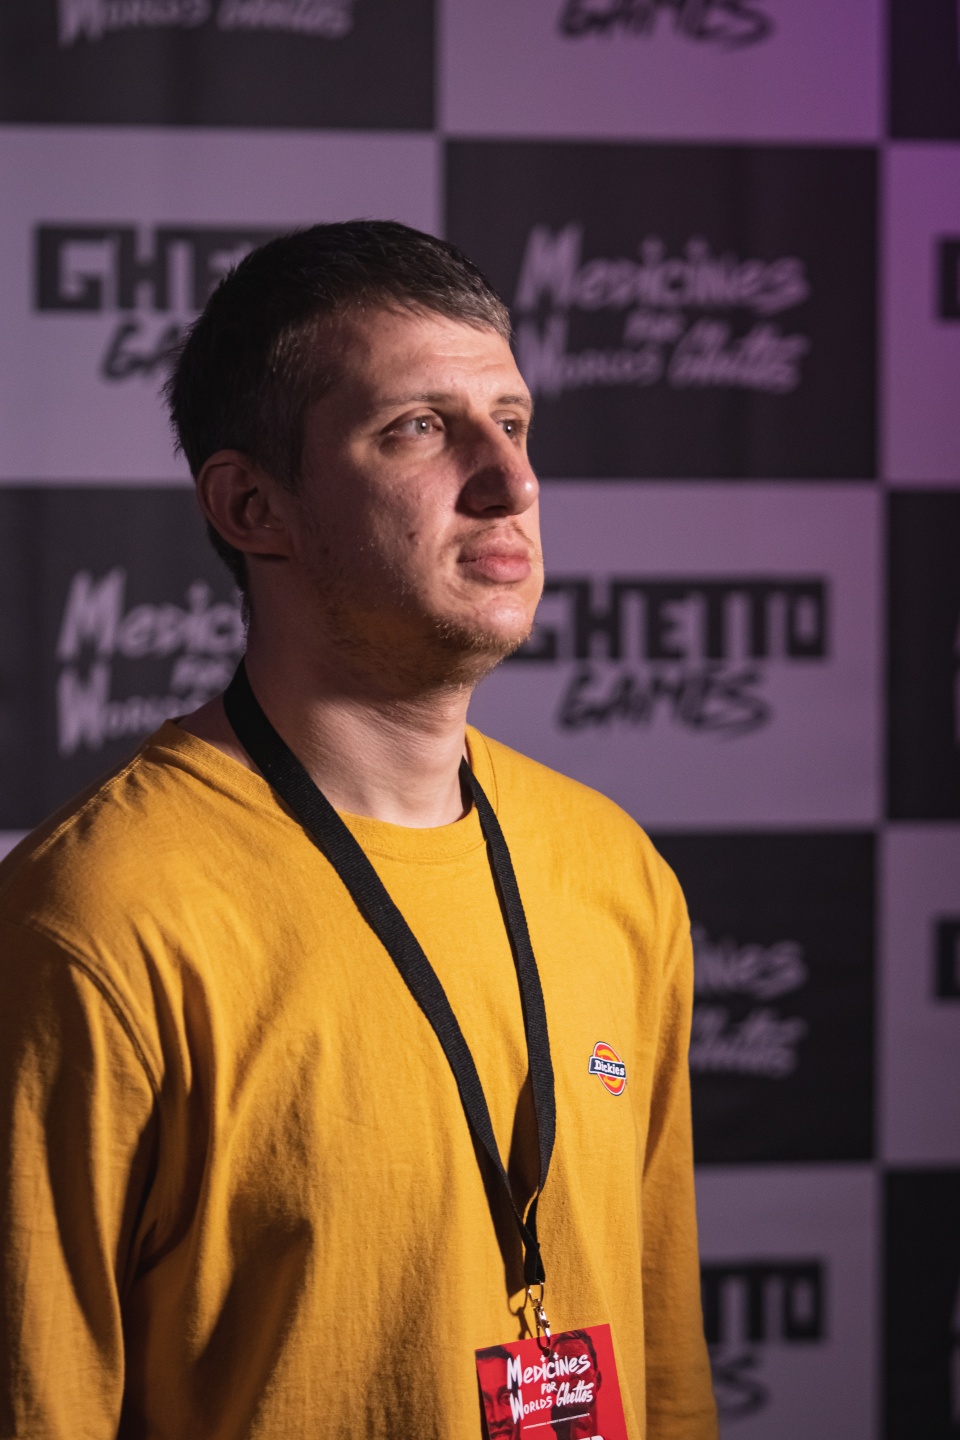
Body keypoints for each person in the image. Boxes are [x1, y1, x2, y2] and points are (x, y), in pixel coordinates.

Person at [0, 221, 718, 1439]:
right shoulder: (96, 919)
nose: (511, 480)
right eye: (420, 427)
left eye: (513, 420)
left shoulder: (615, 870)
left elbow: (668, 1375)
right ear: (252, 507)